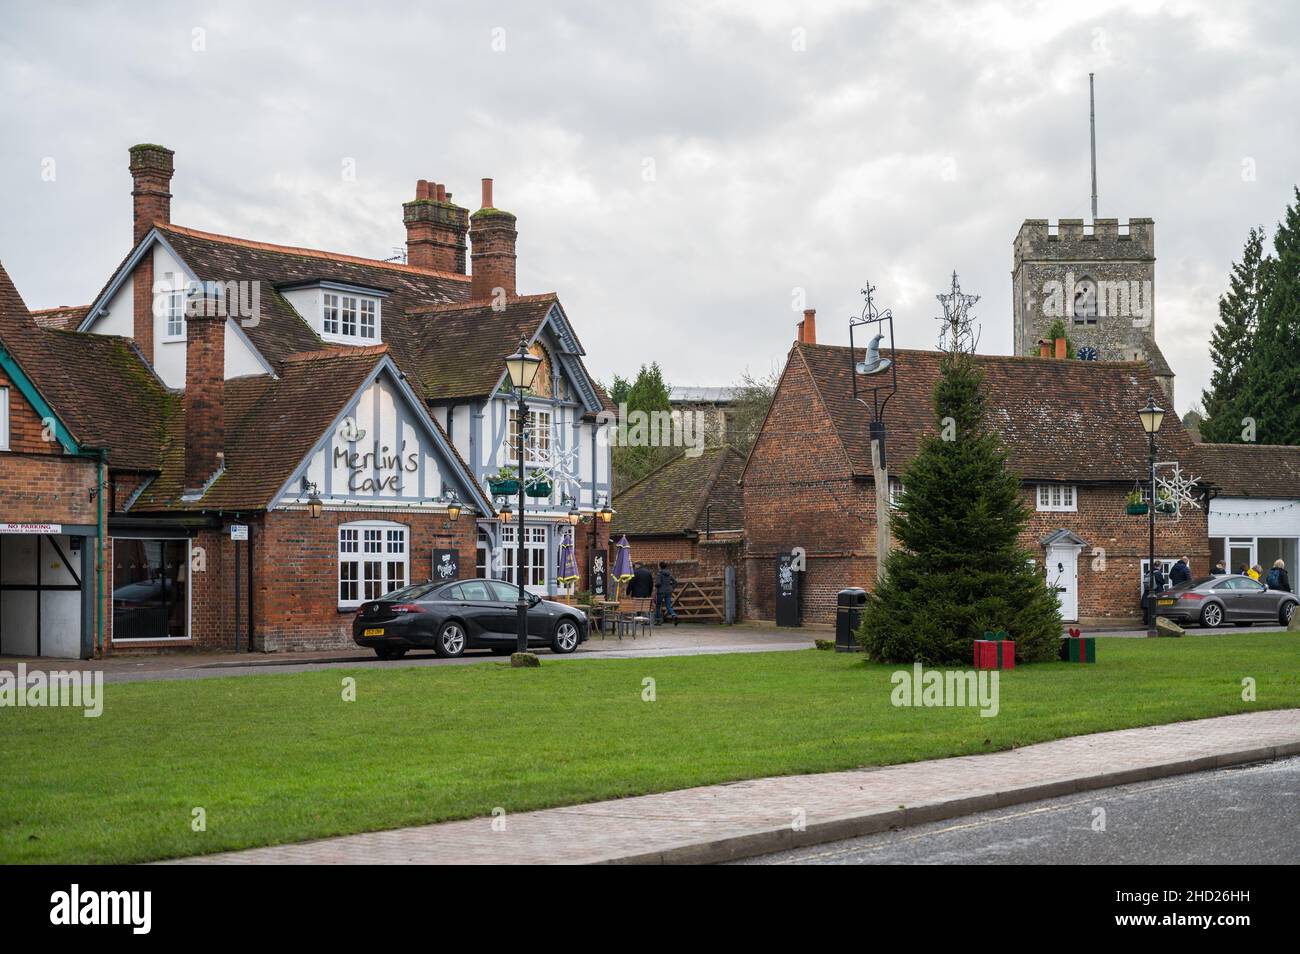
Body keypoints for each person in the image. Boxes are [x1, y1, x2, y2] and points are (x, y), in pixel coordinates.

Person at [653, 561, 679, 625]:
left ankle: (658, 620)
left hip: (660, 592)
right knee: (668, 606)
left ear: (660, 566)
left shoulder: (659, 574)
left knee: (658, 606)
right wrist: (672, 588)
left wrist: (656, 585)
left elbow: (658, 583)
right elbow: (675, 582)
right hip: (668, 591)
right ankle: (674, 615)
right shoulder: (669, 574)